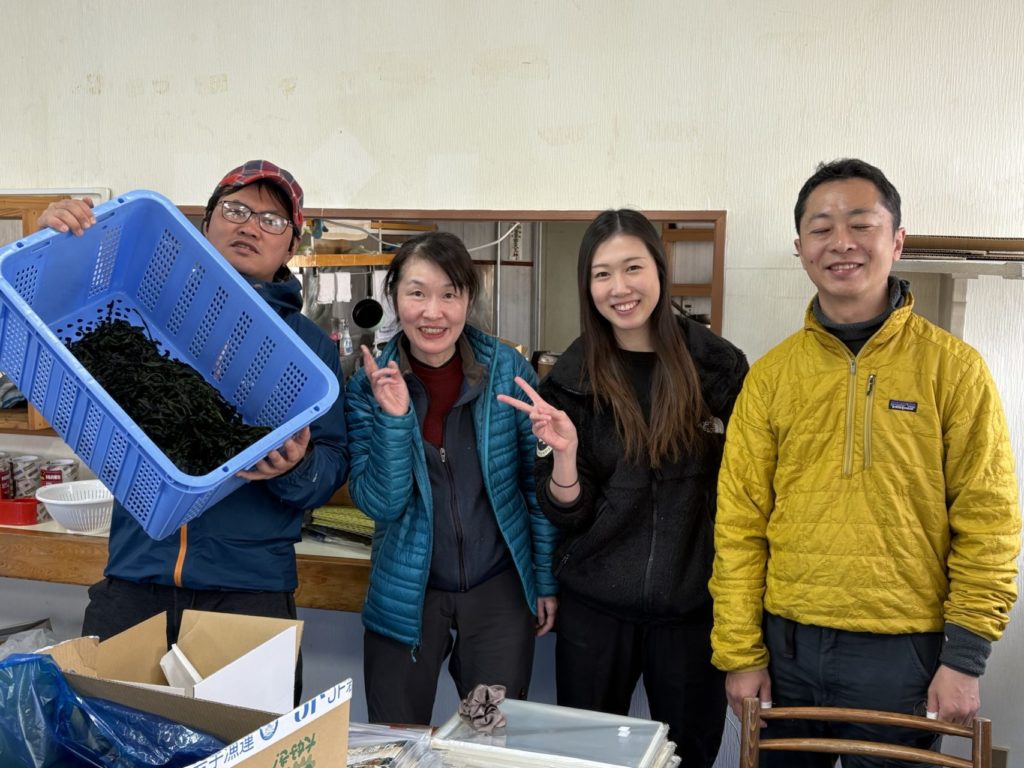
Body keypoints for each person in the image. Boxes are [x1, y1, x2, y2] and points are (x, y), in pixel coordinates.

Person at [709, 158, 1021, 765]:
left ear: (897, 240)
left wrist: (964, 659)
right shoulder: (772, 377)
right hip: (787, 650)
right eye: (821, 228)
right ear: (800, 247)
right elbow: (739, 524)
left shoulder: (953, 370)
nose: (841, 243)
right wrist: (741, 653)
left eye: (861, 224)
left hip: (907, 657)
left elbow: (990, 522)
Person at [38, 160, 349, 703]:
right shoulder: (144, 307)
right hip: (135, 578)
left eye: (273, 220)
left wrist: (296, 468)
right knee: (110, 745)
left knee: (248, 751)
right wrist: (55, 251)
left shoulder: (309, 350)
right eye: (235, 209)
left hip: (250, 590)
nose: (250, 226)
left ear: (291, 246)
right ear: (205, 224)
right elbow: (47, 340)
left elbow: (328, 469)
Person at [498, 209, 748, 766]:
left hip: (691, 609)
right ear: (588, 287)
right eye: (602, 274)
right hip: (597, 608)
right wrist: (564, 457)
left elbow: (751, 487)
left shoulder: (718, 366)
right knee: (586, 758)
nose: (620, 288)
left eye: (632, 267)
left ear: (659, 270)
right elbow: (567, 510)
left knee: (690, 755)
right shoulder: (571, 377)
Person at [345, 231, 559, 725]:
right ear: (395, 297)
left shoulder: (507, 369)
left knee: (491, 742)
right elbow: (380, 503)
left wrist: (543, 579)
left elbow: (535, 485)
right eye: (417, 293)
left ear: (468, 298)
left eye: (449, 294)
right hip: (405, 592)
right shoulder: (368, 385)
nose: (433, 312)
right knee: (394, 738)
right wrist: (396, 419)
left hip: (497, 590)